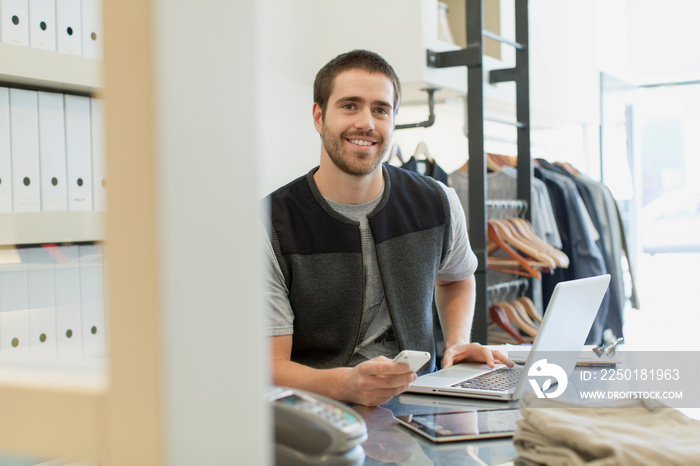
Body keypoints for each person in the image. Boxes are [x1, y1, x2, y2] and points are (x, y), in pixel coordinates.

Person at [262, 49, 511, 407]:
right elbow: (271, 367)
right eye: (350, 105)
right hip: (321, 419)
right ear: (319, 116)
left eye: (380, 109)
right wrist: (343, 385)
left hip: (422, 405)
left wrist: (455, 342)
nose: (367, 123)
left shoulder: (438, 201)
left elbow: (457, 277)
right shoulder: (271, 222)